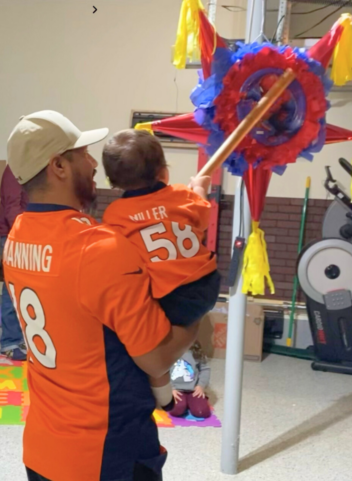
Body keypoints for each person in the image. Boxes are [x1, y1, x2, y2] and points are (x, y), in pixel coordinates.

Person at [3, 110, 199, 481]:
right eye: (83, 153)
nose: (94, 163)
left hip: (43, 449)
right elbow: (156, 358)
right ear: (58, 165)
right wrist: (195, 307)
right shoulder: (97, 248)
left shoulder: (17, 236)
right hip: (104, 454)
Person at [102, 129, 220, 411]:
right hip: (207, 283)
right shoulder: (183, 195)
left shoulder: (115, 215)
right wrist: (199, 187)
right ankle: (168, 386)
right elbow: (202, 217)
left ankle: (164, 394)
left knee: (150, 339)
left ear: (113, 182)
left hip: (172, 294)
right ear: (164, 173)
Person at [0, 165, 28, 360]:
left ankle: (16, 337)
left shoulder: (30, 167)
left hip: (20, 234)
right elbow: (12, 206)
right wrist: (25, 234)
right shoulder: (16, 169)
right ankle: (8, 341)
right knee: (12, 289)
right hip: (11, 235)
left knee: (19, 287)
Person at [170, 341, 211, 419]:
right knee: (177, 410)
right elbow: (161, 373)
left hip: (193, 389)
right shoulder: (167, 352)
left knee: (201, 412)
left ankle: (190, 401)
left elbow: (205, 369)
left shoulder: (196, 352)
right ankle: (185, 402)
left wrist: (200, 385)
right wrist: (170, 389)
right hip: (175, 389)